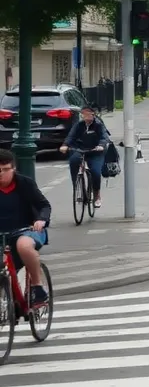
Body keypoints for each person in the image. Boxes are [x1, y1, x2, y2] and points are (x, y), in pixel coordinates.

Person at [0, 149, 52, 304]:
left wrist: (41, 220)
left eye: (5, 170)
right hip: (2, 235)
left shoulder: (25, 183)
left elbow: (44, 205)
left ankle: (37, 287)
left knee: (23, 245)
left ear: (13, 168)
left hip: (27, 230)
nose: (1, 174)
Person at [59, 106, 110, 208]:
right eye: (83, 114)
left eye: (88, 114)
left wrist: (101, 146)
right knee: (73, 161)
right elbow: (71, 136)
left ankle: (96, 195)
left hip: (95, 151)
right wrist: (65, 145)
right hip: (81, 150)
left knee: (95, 171)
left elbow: (104, 137)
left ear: (93, 114)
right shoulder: (79, 125)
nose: (85, 116)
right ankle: (77, 186)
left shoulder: (98, 125)